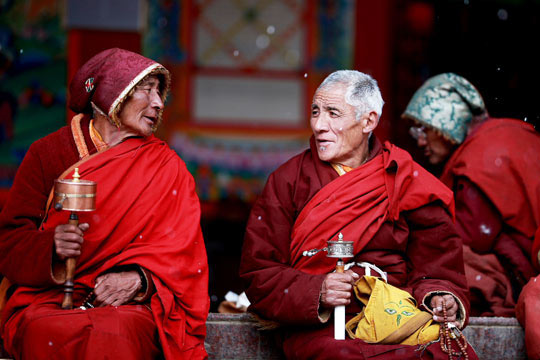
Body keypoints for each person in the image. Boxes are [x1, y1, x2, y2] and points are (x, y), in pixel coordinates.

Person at [239, 70, 477, 359]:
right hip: (320, 327)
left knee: (448, 353)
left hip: (395, 320)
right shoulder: (288, 181)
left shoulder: (404, 178)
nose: (318, 125)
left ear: (369, 121)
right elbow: (259, 273)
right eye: (315, 112)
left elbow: (438, 265)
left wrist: (440, 296)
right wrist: (319, 290)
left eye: (333, 113)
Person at [0, 48, 209, 359]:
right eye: (146, 89)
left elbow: (183, 255)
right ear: (112, 93)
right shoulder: (49, 153)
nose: (157, 103)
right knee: (42, 328)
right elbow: (9, 241)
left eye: (159, 92)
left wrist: (140, 280)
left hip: (127, 305)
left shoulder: (166, 167)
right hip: (52, 295)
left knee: (117, 332)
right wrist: (51, 248)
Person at [403, 72, 540, 358]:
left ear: (442, 123)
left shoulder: (479, 161)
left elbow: (470, 237)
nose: (420, 141)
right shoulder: (512, 131)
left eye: (422, 129)